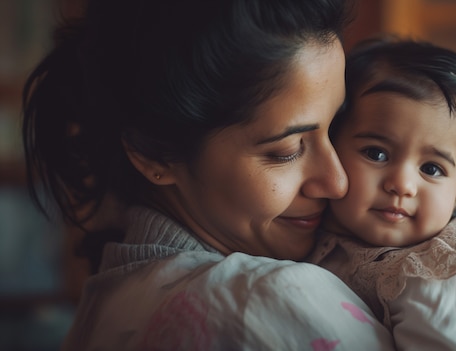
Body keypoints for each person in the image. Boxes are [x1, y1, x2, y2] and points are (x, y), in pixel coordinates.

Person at [22, 1, 396, 350]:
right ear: (156, 152)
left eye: (336, 129)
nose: (338, 181)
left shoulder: (103, 301)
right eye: (285, 151)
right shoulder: (269, 301)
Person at [307, 37, 456, 350]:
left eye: (432, 169)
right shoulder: (307, 222)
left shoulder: (445, 268)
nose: (402, 185)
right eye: (376, 153)